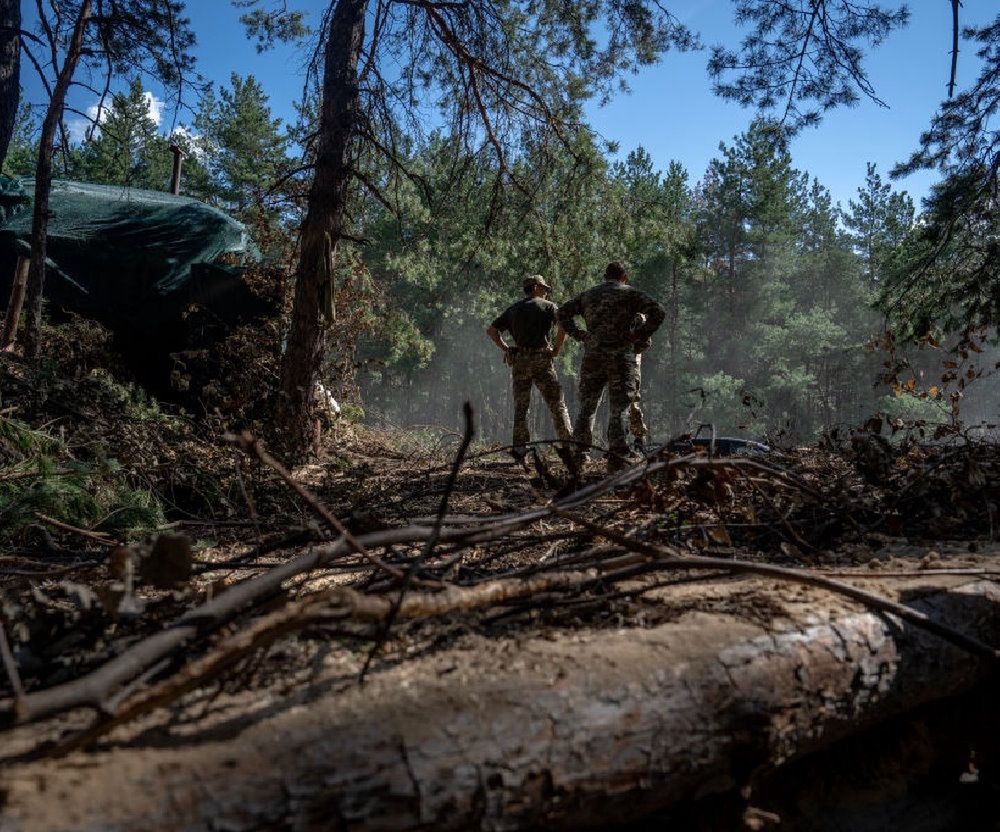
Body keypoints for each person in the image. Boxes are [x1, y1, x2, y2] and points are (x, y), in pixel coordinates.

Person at [557, 261, 664, 468]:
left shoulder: (588, 295)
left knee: (587, 406)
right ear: (624, 277)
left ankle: (579, 454)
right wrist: (639, 334)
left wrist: (579, 334)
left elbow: (562, 313)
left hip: (593, 358)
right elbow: (658, 311)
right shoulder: (631, 294)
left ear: (605, 276)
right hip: (622, 358)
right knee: (620, 408)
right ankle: (617, 457)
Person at [486, 274, 573, 458]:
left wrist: (506, 349)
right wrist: (556, 350)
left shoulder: (513, 309)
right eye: (544, 288)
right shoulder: (548, 307)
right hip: (542, 358)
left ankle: (519, 449)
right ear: (534, 287)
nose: (547, 292)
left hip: (521, 361)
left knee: (521, 407)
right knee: (557, 404)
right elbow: (564, 325)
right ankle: (568, 446)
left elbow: (492, 331)